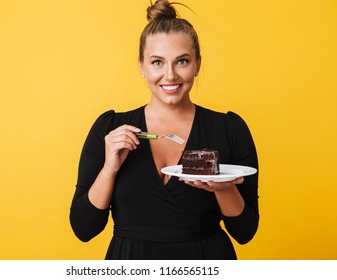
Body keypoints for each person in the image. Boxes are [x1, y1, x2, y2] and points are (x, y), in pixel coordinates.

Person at [69, 0, 259, 260]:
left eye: (182, 61)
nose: (170, 76)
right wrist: (109, 168)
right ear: (141, 66)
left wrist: (223, 188)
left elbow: (245, 232)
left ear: (198, 65)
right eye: (157, 62)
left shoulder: (229, 130)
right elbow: (84, 228)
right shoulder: (110, 129)